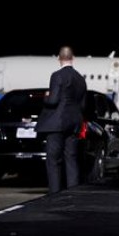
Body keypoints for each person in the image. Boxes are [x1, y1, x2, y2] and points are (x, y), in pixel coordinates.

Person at [36, 45, 87, 193]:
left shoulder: (57, 76)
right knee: (71, 159)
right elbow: (83, 105)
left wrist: (46, 96)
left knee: (54, 160)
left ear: (59, 59)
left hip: (57, 124)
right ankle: (73, 193)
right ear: (73, 59)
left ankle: (55, 194)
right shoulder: (80, 79)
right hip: (74, 123)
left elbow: (53, 101)